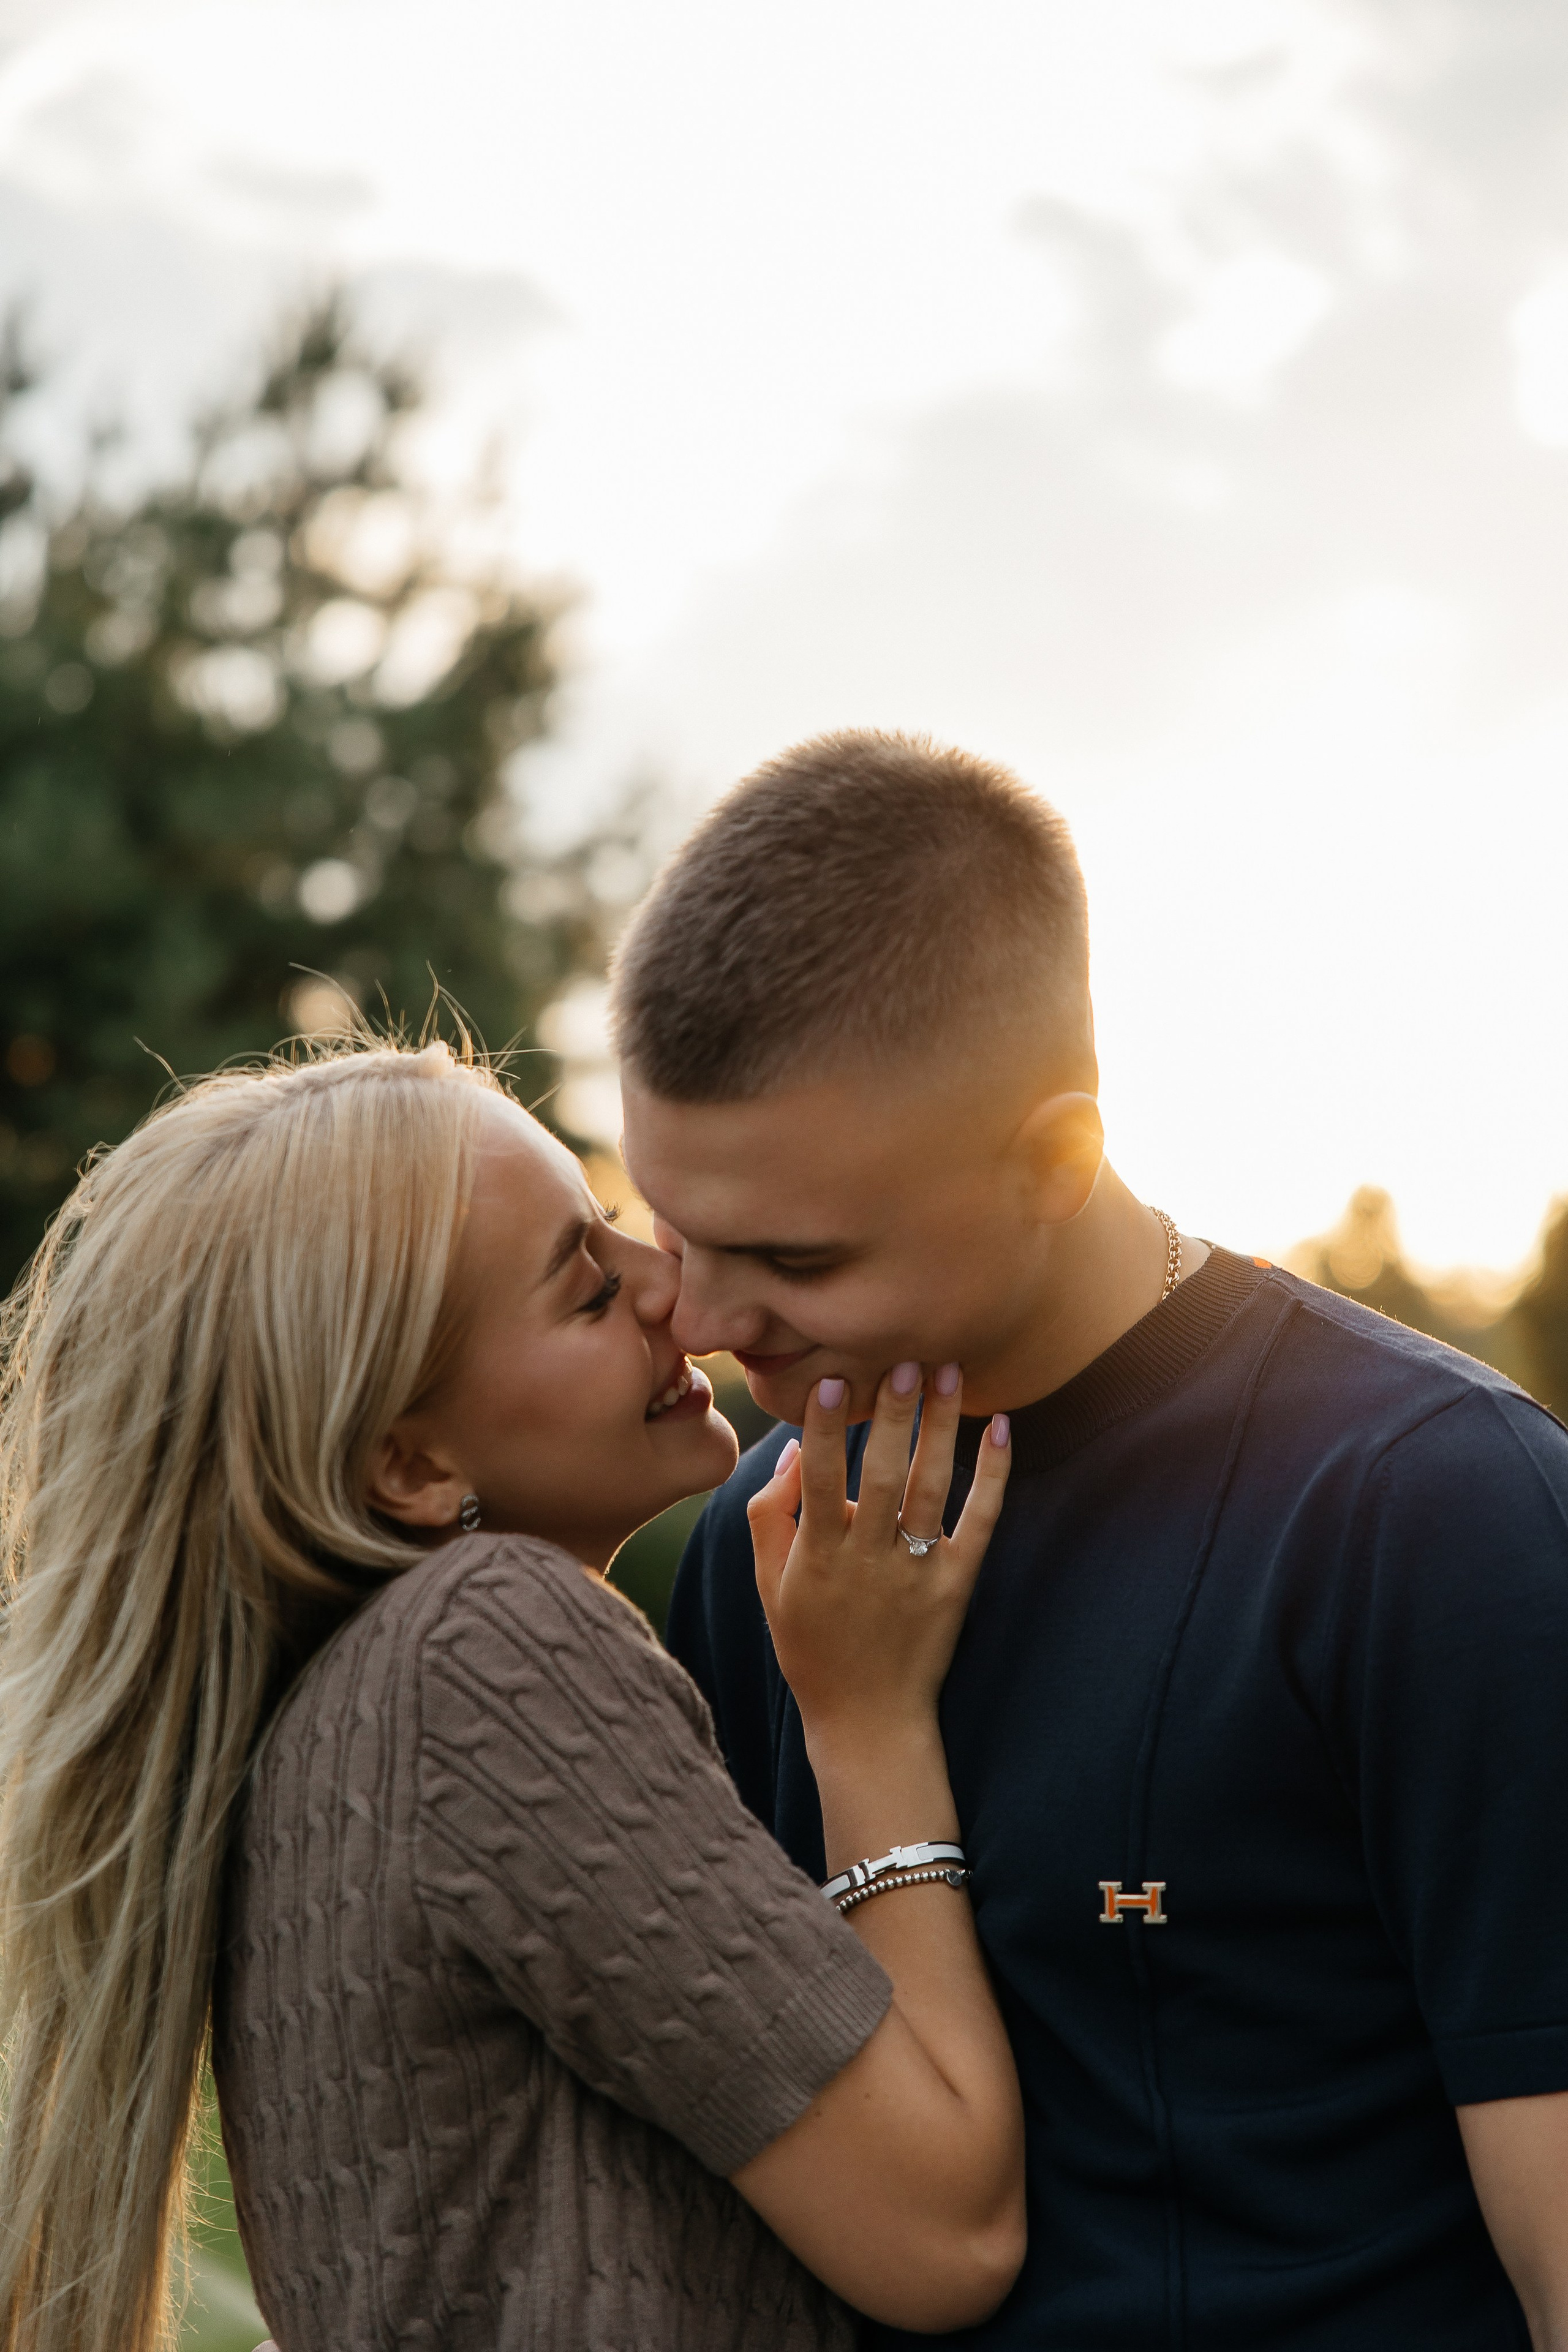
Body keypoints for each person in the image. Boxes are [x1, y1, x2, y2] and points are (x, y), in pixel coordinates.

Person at [609, 727, 1568, 2352]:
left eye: (796, 1258)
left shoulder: (1436, 1514)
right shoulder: (758, 1542)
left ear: (1057, 1158)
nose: (699, 1320)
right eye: (672, 1227)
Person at [0, 1037, 1026, 2352]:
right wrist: (865, 1715)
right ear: (410, 1466)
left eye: (614, 1223)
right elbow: (944, 2233)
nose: (670, 1285)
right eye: (588, 1292)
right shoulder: (482, 1650)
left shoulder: (328, 1728)